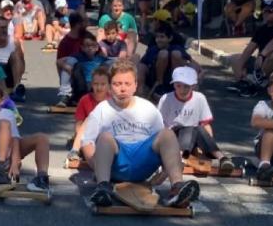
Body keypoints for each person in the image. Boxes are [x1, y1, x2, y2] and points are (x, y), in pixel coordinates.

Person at [82, 59, 200, 208]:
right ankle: (103, 188)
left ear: (135, 86)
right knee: (105, 137)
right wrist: (97, 168)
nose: (122, 89)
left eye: (127, 84)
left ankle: (177, 187)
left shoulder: (148, 108)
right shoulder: (102, 109)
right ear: (110, 87)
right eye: (117, 84)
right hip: (117, 164)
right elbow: (87, 142)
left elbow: (163, 143)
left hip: (143, 161)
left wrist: (164, 171)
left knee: (167, 134)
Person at [158, 67, 233, 170]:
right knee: (190, 128)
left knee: (197, 128)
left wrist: (209, 145)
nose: (182, 90)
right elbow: (159, 125)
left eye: (186, 86)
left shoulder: (199, 98)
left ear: (193, 86)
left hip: (193, 138)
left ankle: (221, 158)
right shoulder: (166, 99)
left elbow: (205, 124)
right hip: (172, 136)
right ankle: (179, 157)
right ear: (174, 85)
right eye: (178, 86)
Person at [229, 0, 273, 97]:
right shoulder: (262, 29)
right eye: (264, 11)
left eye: (270, 11)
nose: (266, 13)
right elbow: (250, 48)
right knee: (235, 58)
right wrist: (240, 64)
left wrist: (261, 55)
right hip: (262, 65)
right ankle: (243, 83)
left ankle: (254, 84)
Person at [137, 22, 196, 98]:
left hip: (172, 76)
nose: (159, 40)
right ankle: (159, 86)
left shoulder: (176, 48)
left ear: (170, 38)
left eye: (162, 37)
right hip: (154, 78)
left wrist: (197, 74)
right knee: (163, 54)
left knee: (176, 54)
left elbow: (192, 62)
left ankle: (177, 82)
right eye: (157, 37)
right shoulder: (153, 49)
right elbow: (142, 64)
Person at [67, 67, 111, 161]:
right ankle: (75, 150)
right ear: (91, 85)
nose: (99, 88)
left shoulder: (112, 100)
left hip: (106, 134)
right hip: (88, 134)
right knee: (89, 119)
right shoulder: (85, 100)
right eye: (96, 84)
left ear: (109, 86)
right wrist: (81, 137)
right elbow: (79, 123)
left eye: (103, 84)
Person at [0, 16, 26, 102]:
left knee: (14, 55)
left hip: (10, 73)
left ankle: (16, 88)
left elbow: (22, 66)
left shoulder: (14, 42)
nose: (4, 30)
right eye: (1, 28)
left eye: (6, 27)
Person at [54, 12, 86, 107]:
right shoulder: (65, 42)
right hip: (73, 71)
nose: (84, 25)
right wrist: (70, 68)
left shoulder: (86, 37)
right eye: (82, 23)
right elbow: (58, 62)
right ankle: (66, 94)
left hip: (87, 68)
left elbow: (99, 53)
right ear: (77, 25)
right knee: (70, 60)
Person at [70, 32, 109, 103]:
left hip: (95, 86)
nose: (90, 48)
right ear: (82, 48)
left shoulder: (101, 59)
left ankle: (99, 96)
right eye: (87, 46)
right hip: (81, 86)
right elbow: (62, 61)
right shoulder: (77, 57)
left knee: (105, 67)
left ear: (97, 48)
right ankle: (80, 97)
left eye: (93, 46)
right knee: (77, 66)